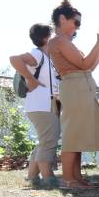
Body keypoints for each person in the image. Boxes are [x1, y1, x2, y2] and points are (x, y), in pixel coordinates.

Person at [45, 0, 99, 188]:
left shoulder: (66, 42)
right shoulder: (58, 41)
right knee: (73, 134)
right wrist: (97, 44)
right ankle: (68, 179)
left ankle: (76, 177)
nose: (78, 27)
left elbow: (89, 66)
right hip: (74, 87)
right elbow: (84, 63)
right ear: (62, 19)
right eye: (76, 22)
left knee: (78, 133)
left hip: (81, 86)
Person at [9, 23, 61, 188]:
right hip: (41, 105)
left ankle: (32, 176)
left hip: (45, 104)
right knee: (49, 140)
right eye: (53, 35)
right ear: (46, 38)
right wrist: (30, 79)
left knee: (45, 140)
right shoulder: (38, 54)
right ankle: (48, 178)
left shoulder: (47, 57)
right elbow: (14, 59)